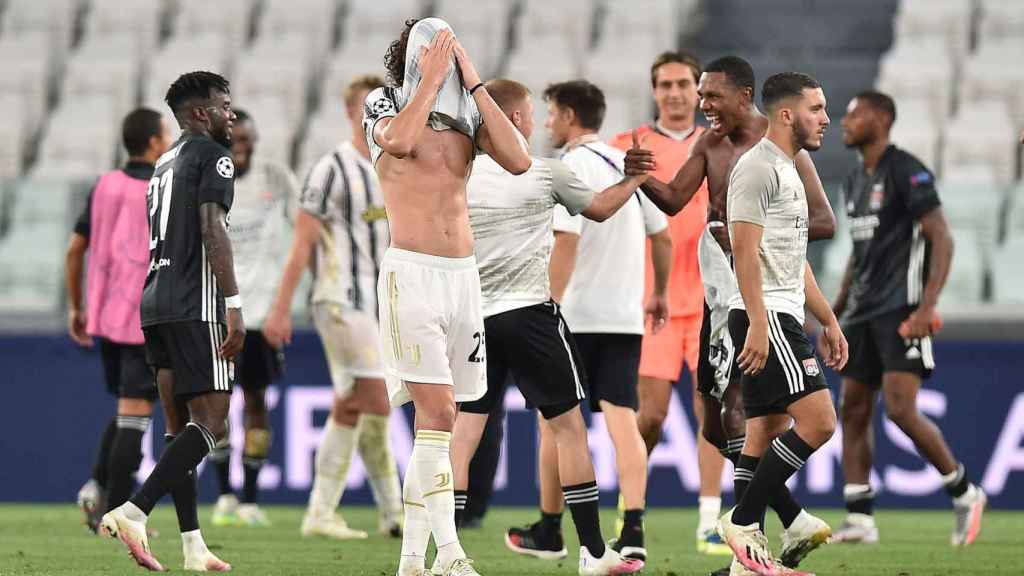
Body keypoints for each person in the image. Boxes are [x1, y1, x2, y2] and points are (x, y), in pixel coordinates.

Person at [625, 56, 835, 575]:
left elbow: (820, 222)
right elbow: (675, 200)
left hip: (756, 294)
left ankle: (752, 536)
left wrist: (754, 234)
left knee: (749, 423)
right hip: (730, 296)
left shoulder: (777, 154)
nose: (703, 106)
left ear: (746, 97)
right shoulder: (720, 148)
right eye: (701, 96)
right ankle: (776, 523)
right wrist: (641, 178)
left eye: (711, 95)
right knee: (725, 424)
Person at [451, 78, 646, 575]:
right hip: (532, 315)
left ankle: (442, 553)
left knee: (464, 433)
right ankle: (594, 552)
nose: (537, 123)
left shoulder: (458, 178)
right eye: (531, 116)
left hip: (475, 317)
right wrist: (633, 180)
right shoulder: (543, 173)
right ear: (514, 120)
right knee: (569, 429)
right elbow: (601, 210)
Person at [363, 18, 530, 576]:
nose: (444, 55)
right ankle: (452, 556)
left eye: (451, 47)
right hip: (411, 275)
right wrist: (430, 80)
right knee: (441, 411)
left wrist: (474, 81)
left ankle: (413, 562)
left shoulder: (465, 115)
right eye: (435, 48)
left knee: (437, 425)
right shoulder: (382, 104)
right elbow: (402, 143)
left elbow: (519, 159)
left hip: (463, 278)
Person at [513, 79, 671, 565]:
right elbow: (661, 237)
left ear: (569, 116)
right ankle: (636, 525)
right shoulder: (626, 165)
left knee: (555, 422)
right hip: (623, 313)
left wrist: (549, 301)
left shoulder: (570, 167)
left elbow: (566, 240)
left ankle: (550, 528)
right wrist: (659, 292)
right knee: (623, 418)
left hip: (575, 315)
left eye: (551, 113)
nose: (546, 122)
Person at [99, 70, 242, 573]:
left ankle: (192, 545)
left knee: (177, 427)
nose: (233, 114)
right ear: (201, 112)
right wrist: (235, 304)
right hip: (195, 304)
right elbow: (212, 228)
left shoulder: (163, 162)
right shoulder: (213, 156)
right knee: (213, 423)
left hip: (154, 302)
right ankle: (135, 509)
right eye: (225, 105)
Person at [832, 90, 986, 546]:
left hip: (901, 310)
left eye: (854, 113)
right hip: (861, 312)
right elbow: (858, 256)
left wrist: (928, 307)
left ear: (881, 119)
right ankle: (859, 517)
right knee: (853, 408)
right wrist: (836, 311)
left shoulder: (906, 169)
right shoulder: (855, 180)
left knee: (899, 407)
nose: (844, 121)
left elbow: (942, 237)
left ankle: (964, 491)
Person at [713, 72, 847, 576]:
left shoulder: (789, 169)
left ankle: (746, 567)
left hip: (778, 310)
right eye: (817, 108)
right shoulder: (757, 169)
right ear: (787, 114)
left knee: (761, 437)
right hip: (764, 314)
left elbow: (792, 258)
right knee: (820, 421)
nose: (826, 118)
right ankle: (744, 523)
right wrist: (758, 324)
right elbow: (743, 250)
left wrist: (828, 319)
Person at [262, 74, 404, 540]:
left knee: (361, 406)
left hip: (384, 304)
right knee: (374, 397)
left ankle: (382, 514)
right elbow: (302, 243)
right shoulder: (332, 168)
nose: (375, 115)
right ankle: (336, 511)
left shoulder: (397, 165)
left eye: (383, 106)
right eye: (366, 107)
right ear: (349, 113)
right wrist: (281, 309)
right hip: (340, 298)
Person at [608, 50, 729, 554]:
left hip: (708, 299)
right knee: (651, 416)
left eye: (684, 84)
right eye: (666, 84)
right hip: (652, 300)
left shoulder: (719, 142)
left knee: (714, 413)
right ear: (654, 90)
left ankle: (709, 520)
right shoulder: (626, 146)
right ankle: (628, 510)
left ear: (698, 93)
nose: (676, 93)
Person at [67, 107, 172, 532]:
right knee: (136, 413)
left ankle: (97, 486)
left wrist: (77, 306)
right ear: (152, 142)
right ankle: (113, 512)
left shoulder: (103, 185)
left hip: (106, 316)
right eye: (164, 133)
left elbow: (75, 250)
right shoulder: (162, 188)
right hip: (145, 315)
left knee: (129, 404)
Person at [203, 108, 298, 528]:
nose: (242, 149)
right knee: (216, 404)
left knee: (256, 401)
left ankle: (251, 499)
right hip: (218, 310)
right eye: (235, 142)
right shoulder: (208, 180)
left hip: (260, 312)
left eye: (248, 141)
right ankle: (223, 493)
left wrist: (286, 303)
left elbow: (304, 229)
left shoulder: (275, 178)